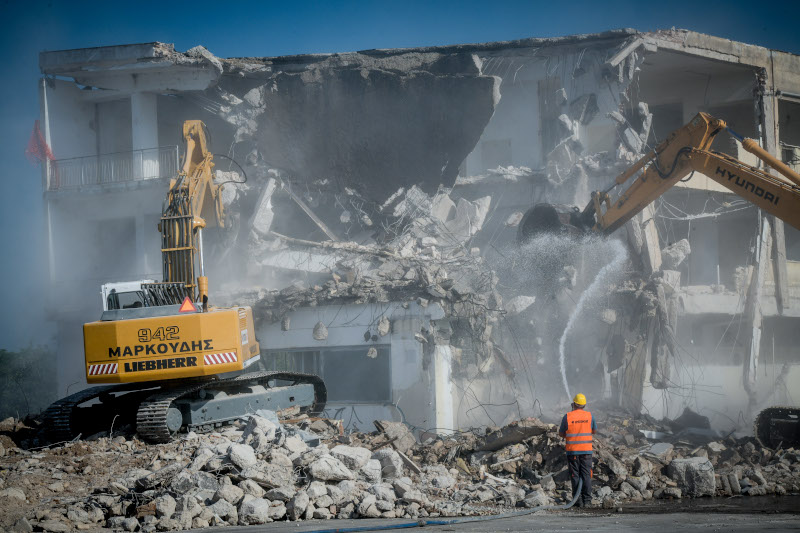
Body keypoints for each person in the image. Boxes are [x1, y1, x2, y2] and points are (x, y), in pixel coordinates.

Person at [558, 393, 596, 508]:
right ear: (584, 405)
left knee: (575, 475)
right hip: (586, 452)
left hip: (573, 451)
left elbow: (561, 433)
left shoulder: (567, 416)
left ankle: (577, 501)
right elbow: (593, 431)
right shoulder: (590, 416)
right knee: (586, 475)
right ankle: (587, 501)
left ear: (574, 404)